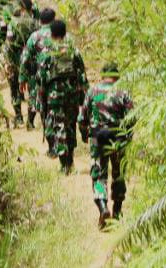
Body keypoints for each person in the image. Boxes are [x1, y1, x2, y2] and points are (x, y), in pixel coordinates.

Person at [79, 62, 134, 229]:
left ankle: (103, 208)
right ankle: (117, 211)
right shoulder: (123, 92)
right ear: (116, 75)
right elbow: (132, 117)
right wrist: (128, 136)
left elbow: (82, 118)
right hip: (118, 138)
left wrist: (84, 134)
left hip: (97, 138)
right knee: (118, 173)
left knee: (98, 174)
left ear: (103, 75)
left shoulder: (92, 91)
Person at [37, 20, 88, 174]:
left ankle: (64, 164)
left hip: (55, 97)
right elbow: (82, 76)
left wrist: (41, 100)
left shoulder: (47, 52)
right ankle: (70, 160)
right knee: (70, 126)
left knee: (58, 127)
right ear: (65, 33)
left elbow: (41, 78)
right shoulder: (74, 51)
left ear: (51, 35)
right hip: (72, 95)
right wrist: (83, 96)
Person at [20, 8, 55, 136]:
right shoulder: (59, 35)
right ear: (54, 19)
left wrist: (22, 78)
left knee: (36, 99)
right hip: (57, 76)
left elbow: (25, 58)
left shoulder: (34, 36)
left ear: (40, 20)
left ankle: (35, 125)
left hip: (38, 76)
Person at [5, 0, 37, 128]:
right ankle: (30, 121)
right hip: (32, 62)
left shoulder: (13, 23)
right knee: (33, 90)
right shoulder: (36, 23)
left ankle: (19, 118)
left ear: (22, 8)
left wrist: (7, 61)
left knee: (15, 89)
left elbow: (9, 42)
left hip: (15, 59)